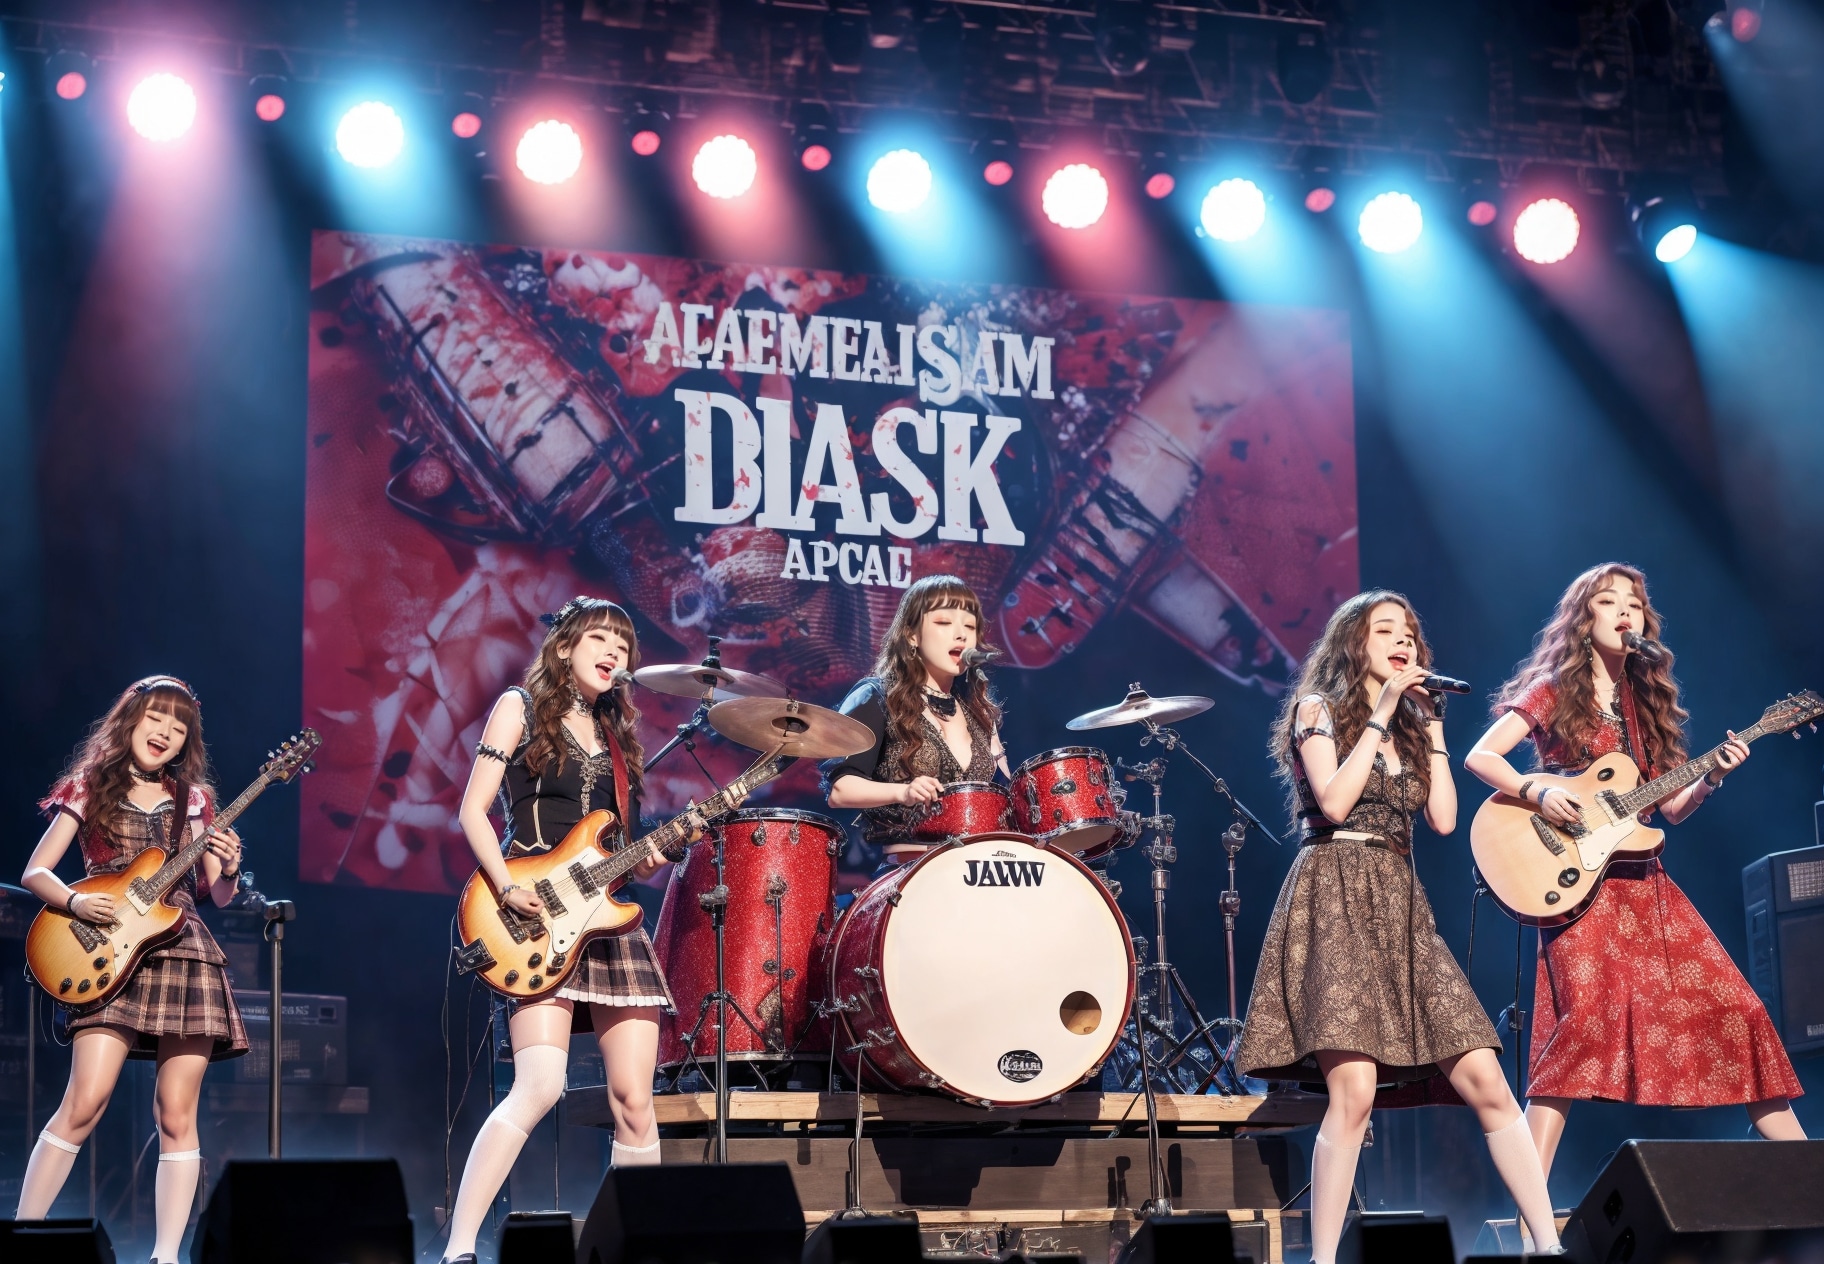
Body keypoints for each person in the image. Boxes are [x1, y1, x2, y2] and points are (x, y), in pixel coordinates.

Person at [1234, 592, 1560, 1264]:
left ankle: (1549, 1246)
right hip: (1333, 891)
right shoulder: (1317, 710)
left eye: (1409, 631)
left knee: (1486, 1077)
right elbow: (1334, 801)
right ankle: (1324, 1260)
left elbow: (1443, 819)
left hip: (1400, 904)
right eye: (1385, 630)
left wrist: (1432, 727)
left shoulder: (1411, 727)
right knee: (1353, 1094)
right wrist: (1382, 713)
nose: (1403, 641)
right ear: (1354, 643)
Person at [1465, 563, 1804, 1179]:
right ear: (1582, 619)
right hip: (1576, 887)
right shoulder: (1552, 690)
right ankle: (1530, 1208)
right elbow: (1481, 755)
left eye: (1635, 603)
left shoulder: (1645, 707)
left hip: (1646, 888)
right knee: (1581, 1031)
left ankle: (1810, 1177)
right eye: (1608, 601)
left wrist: (1713, 775)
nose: (1626, 611)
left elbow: (1670, 809)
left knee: (1738, 1012)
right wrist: (1539, 792)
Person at [441, 597, 678, 1264]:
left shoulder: (619, 741)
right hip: (533, 914)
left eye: (623, 646)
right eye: (600, 639)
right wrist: (505, 887)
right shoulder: (519, 706)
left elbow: (619, 847)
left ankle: (635, 1253)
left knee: (635, 1101)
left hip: (606, 920)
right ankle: (458, 1248)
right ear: (566, 646)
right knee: (540, 1085)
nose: (614, 653)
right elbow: (473, 810)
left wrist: (650, 855)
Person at [16, 676, 248, 1264]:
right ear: (130, 720)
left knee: (177, 1112)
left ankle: (165, 1257)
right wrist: (73, 901)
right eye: (156, 717)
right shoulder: (91, 785)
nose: (166, 732)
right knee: (85, 1101)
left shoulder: (193, 800)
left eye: (179, 726)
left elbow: (218, 896)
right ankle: (21, 1235)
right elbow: (35, 871)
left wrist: (228, 868)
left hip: (182, 949)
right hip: (106, 944)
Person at [821, 574, 1010, 864]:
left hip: (978, 867)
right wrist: (904, 791)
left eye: (970, 627)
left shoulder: (978, 711)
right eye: (944, 623)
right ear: (912, 635)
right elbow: (840, 790)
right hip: (911, 869)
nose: (961, 635)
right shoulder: (877, 695)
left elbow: (1004, 795)